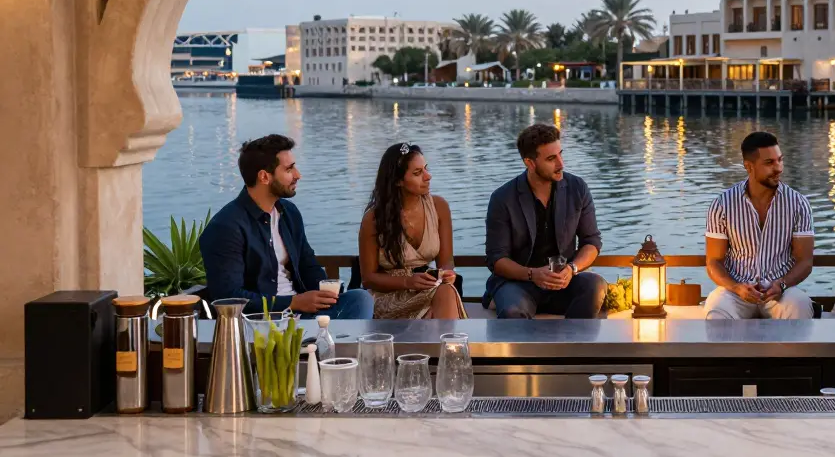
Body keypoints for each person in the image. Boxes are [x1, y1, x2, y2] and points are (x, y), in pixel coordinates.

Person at [201, 134, 374, 319]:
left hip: (301, 313)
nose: (298, 175)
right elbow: (229, 297)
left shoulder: (288, 213)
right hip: (261, 321)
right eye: (289, 169)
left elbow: (308, 265)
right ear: (264, 177)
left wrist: (327, 293)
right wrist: (292, 302)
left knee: (360, 299)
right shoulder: (226, 227)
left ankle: (327, 335)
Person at [483, 124, 607, 318]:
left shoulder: (577, 188)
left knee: (595, 286)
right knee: (513, 311)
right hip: (518, 284)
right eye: (551, 159)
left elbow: (591, 241)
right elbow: (497, 259)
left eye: (560, 154)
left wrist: (572, 269)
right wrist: (533, 274)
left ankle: (572, 338)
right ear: (530, 163)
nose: (561, 164)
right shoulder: (502, 198)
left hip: (563, 281)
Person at [704, 131, 815, 319]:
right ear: (749, 166)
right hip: (737, 290)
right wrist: (736, 287)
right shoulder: (723, 204)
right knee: (716, 311)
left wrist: (782, 284)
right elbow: (714, 261)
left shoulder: (798, 204)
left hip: (781, 290)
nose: (778, 168)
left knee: (800, 307)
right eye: (769, 163)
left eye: (780, 160)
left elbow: (804, 261)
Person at [357, 142, 466, 319]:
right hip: (389, 295)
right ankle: (446, 336)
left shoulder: (439, 207)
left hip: (427, 287)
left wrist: (446, 274)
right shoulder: (373, 219)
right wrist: (407, 282)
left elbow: (446, 262)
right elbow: (368, 278)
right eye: (417, 173)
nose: (428, 176)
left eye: (426, 169)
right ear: (398, 181)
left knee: (446, 291)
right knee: (438, 307)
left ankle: (442, 335)